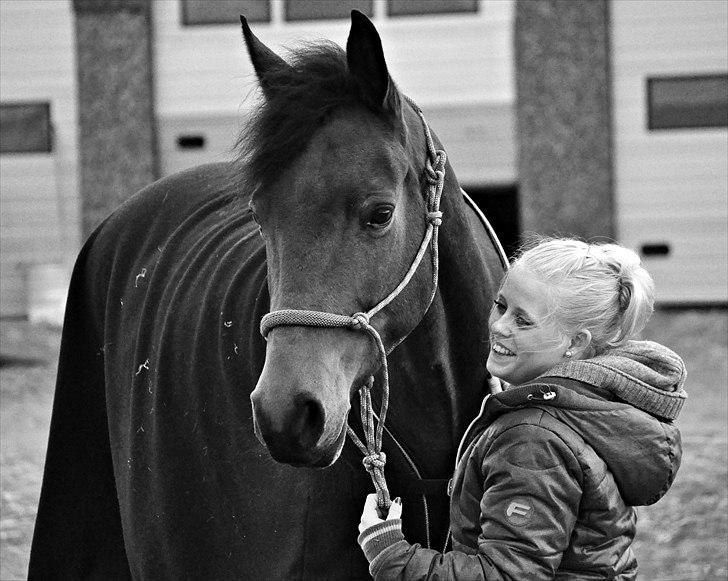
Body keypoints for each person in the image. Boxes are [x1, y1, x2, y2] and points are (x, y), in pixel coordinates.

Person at [357, 238, 687, 580]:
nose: (500, 326)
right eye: (501, 306)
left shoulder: (532, 441)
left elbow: (504, 575)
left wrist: (390, 553)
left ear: (575, 343)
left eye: (523, 321)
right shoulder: (590, 406)